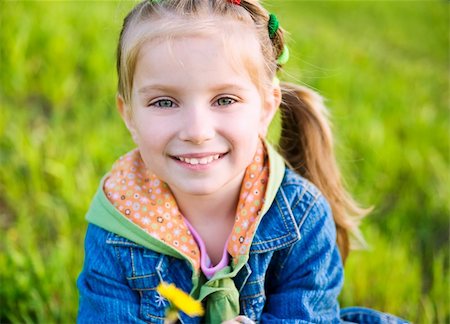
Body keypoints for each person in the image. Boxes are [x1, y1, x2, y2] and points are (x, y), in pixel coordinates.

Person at [77, 0, 408, 323]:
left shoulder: (302, 217)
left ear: (266, 108)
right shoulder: (117, 226)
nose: (197, 131)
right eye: (164, 102)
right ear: (129, 115)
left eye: (224, 99)